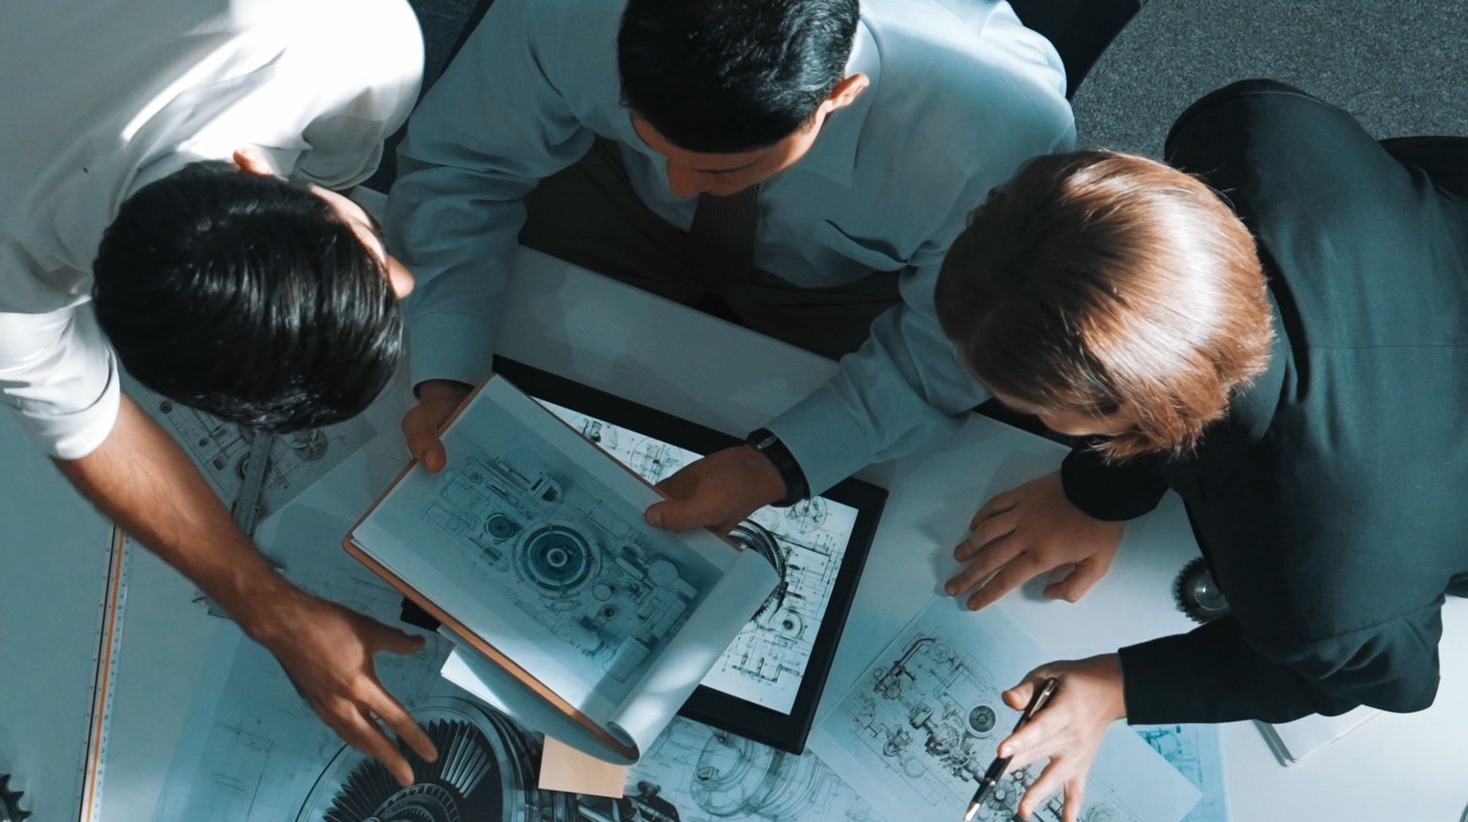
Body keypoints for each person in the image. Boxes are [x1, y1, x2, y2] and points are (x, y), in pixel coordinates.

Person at [936, 80, 1468, 822]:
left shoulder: (1330, 584)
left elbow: (1373, 679)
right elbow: (1180, 334)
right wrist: (1097, 495)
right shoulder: (1246, 132)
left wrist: (1122, 685)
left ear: (1133, 415)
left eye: (1033, 409)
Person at [0, 1, 438, 783]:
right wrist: (270, 612)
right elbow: (86, 430)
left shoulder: (349, 42)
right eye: (383, 258)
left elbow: (84, 420)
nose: (401, 281)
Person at [387, 0, 1076, 522]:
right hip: (614, 193)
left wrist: (776, 467)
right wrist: (445, 374)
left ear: (839, 94)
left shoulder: (999, 134)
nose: (682, 182)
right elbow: (463, 169)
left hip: (847, 289)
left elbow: (945, 348)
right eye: (651, 133)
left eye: (723, 167)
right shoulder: (573, 10)